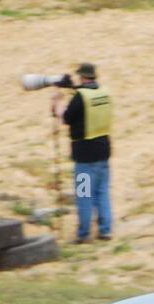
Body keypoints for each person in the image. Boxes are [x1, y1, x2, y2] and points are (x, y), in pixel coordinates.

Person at [52, 62, 113, 243]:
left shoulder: (80, 97)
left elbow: (66, 118)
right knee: (102, 192)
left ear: (82, 77)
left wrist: (57, 102)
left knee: (84, 195)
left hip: (84, 158)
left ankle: (83, 234)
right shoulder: (104, 93)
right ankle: (105, 231)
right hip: (103, 152)